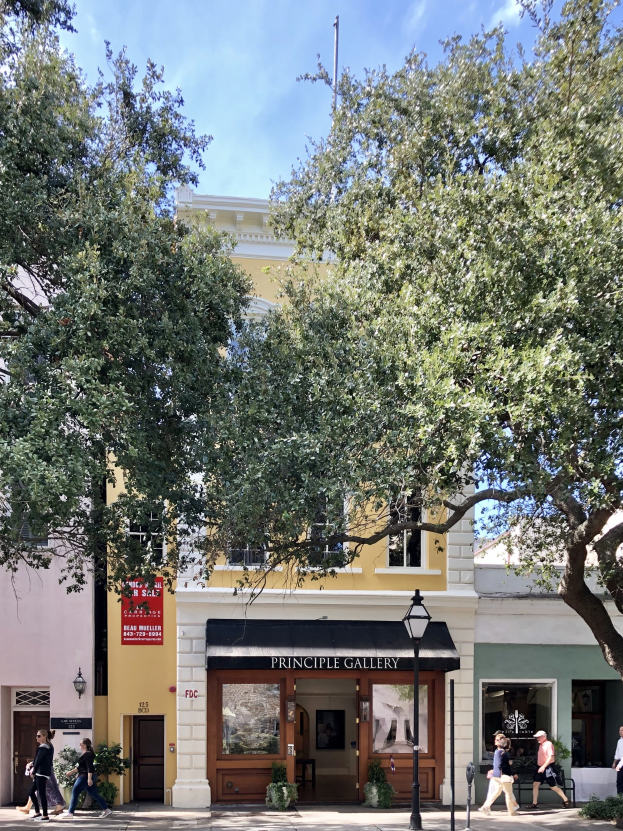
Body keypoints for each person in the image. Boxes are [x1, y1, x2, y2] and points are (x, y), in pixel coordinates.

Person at [59, 738, 111, 819]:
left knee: (75, 792)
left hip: (85, 776)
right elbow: (81, 766)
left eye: (81, 743)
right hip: (88, 775)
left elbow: (89, 767)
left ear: (85, 745)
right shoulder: (87, 754)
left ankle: (70, 813)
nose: (79, 744)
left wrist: (89, 779)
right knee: (93, 793)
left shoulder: (88, 754)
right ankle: (106, 810)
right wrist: (71, 772)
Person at [528, 730, 570, 809]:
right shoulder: (541, 745)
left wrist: (543, 766)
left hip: (547, 768)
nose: (537, 738)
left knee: (553, 786)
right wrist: (541, 766)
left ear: (544, 736)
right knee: (535, 784)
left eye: (539, 737)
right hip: (540, 767)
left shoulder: (548, 744)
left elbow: (551, 757)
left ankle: (566, 800)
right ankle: (534, 804)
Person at [479, 734, 519, 816]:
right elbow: (504, 766)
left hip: (496, 775)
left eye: (497, 740)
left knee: (496, 792)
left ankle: (486, 806)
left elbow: (497, 764)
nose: (495, 740)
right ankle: (511, 812)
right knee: (508, 794)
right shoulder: (504, 753)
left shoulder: (497, 752)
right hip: (504, 776)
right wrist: (511, 773)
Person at [27, 728, 55, 822]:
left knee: (41, 794)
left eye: (39, 736)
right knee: (31, 791)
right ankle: (38, 812)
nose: (36, 737)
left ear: (44, 736)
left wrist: (33, 771)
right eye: (36, 736)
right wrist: (33, 763)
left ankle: (45, 815)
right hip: (43, 772)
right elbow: (39, 759)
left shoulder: (44, 747)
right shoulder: (48, 746)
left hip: (41, 773)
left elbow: (39, 760)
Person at [612, 725, 623, 793]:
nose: (620, 732)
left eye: (621, 730)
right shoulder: (619, 741)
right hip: (620, 763)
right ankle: (620, 799)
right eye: (619, 730)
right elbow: (617, 753)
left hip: (621, 763)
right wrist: (614, 763)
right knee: (619, 781)